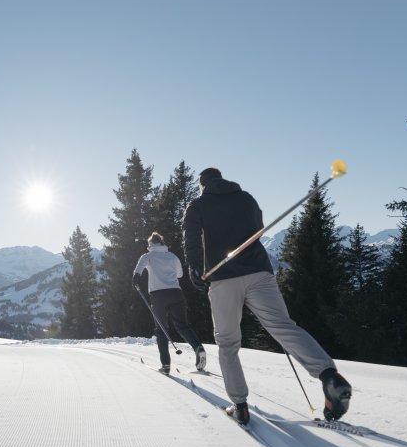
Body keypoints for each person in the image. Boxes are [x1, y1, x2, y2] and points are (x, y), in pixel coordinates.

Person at [182, 167, 352, 425]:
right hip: (259, 272)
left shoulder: (198, 204)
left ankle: (240, 405)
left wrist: (195, 266)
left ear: (202, 184)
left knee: (228, 343)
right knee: (283, 327)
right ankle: (329, 375)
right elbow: (258, 228)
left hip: (224, 279)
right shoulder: (246, 198)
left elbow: (190, 237)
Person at [132, 232, 208, 374]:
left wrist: (136, 279)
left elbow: (138, 270)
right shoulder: (172, 256)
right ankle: (198, 348)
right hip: (176, 293)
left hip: (158, 296)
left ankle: (166, 366)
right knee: (183, 326)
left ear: (150, 244)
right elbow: (179, 274)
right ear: (162, 242)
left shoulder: (148, 256)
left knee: (161, 330)